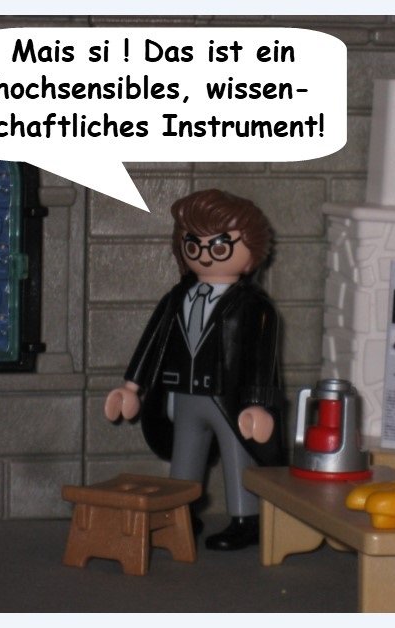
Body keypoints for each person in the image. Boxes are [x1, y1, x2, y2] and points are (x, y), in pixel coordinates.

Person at [104, 189, 283, 551]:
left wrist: (258, 403)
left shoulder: (254, 306)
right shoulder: (176, 298)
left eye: (219, 246)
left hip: (229, 398)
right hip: (182, 394)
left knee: (238, 457)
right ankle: (179, 512)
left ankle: (246, 519)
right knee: (185, 457)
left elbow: (262, 359)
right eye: (193, 244)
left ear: (251, 253)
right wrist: (131, 387)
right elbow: (151, 343)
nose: (204, 254)